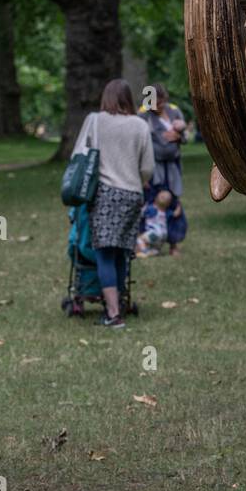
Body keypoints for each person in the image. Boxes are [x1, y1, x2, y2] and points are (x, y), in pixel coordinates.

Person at [73, 79, 153, 328]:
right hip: (132, 195)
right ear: (128, 98)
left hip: (105, 194)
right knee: (121, 253)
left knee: (105, 254)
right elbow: (148, 168)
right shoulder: (140, 125)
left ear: (105, 97)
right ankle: (120, 303)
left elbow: (78, 156)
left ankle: (113, 313)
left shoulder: (94, 121)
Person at [143, 83, 188, 255]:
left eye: (161, 101)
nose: (159, 105)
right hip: (155, 167)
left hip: (173, 166)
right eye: (155, 102)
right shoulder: (144, 117)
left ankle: (174, 242)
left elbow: (185, 137)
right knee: (154, 202)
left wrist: (179, 136)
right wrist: (143, 175)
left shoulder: (174, 112)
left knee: (173, 202)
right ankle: (149, 242)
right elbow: (140, 144)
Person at [135, 189, 172, 258]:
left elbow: (141, 213)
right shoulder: (166, 212)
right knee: (155, 246)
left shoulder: (151, 208)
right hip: (164, 234)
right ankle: (155, 252)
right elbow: (175, 214)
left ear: (156, 198)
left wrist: (143, 208)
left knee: (140, 239)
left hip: (154, 232)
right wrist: (178, 208)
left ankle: (144, 252)